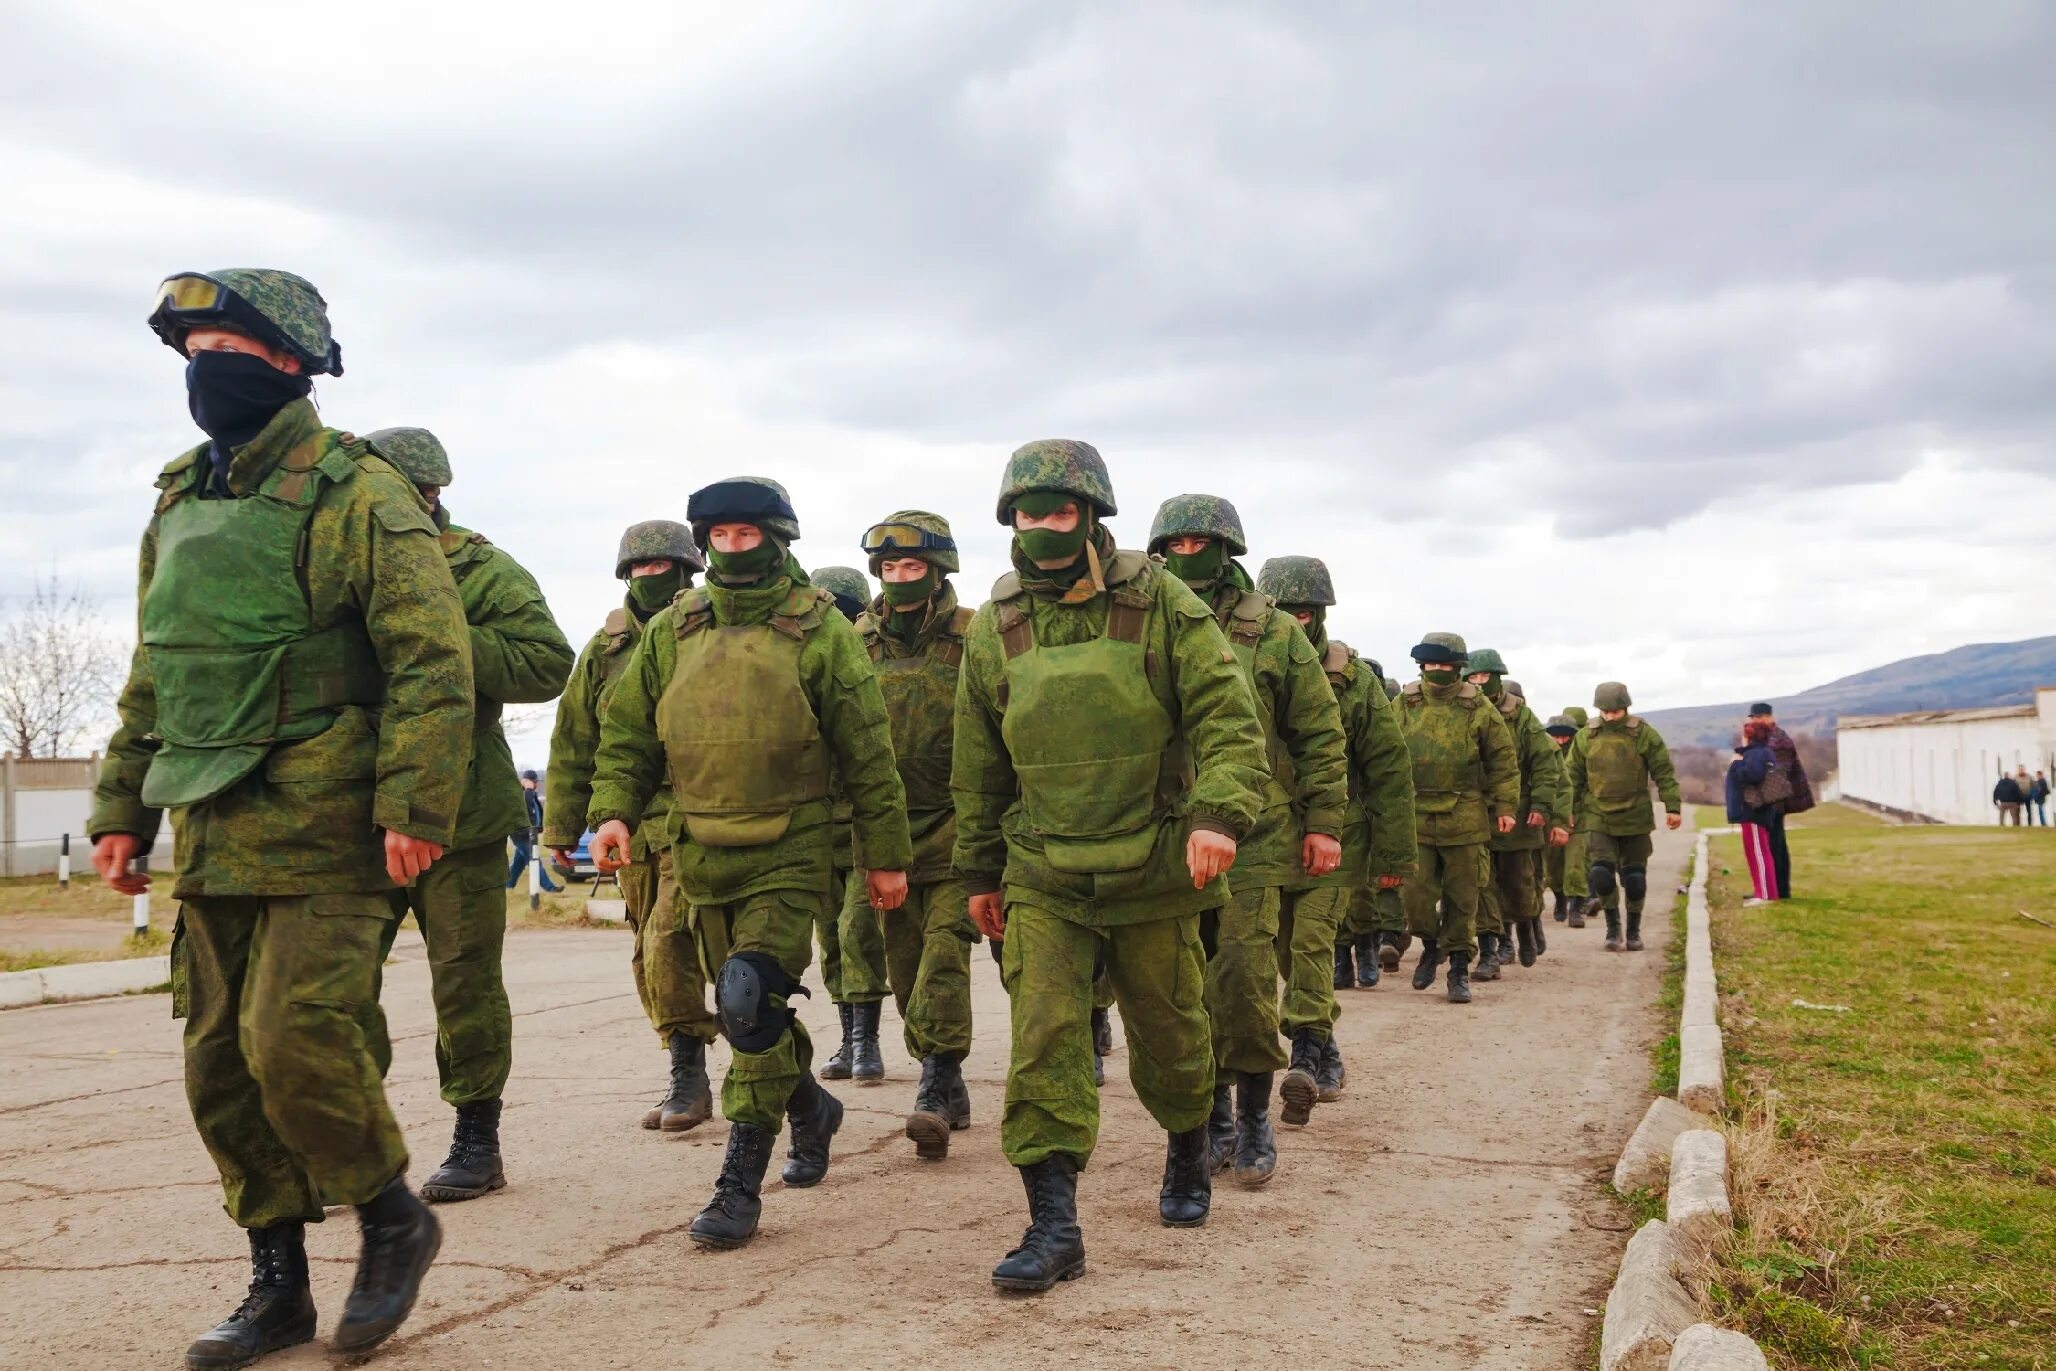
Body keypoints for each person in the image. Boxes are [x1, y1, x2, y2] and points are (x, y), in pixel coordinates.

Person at [90, 269, 472, 1363]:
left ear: (293, 362)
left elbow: (430, 661)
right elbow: (156, 668)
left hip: (330, 816)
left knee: (293, 1039)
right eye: (193, 344)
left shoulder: (362, 494)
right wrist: (124, 801)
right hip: (209, 817)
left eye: (229, 344)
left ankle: (392, 1218)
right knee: (218, 1062)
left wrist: (414, 799)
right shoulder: (181, 498)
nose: (206, 365)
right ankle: (278, 1285)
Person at [953, 440, 1267, 1292]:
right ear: (1009, 520)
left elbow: (1226, 715)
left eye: (1059, 512)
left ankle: (1188, 1149)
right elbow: (979, 760)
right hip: (1044, 873)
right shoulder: (998, 621)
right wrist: (980, 870)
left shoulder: (1159, 599)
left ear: (1091, 515)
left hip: (1157, 866)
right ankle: (1054, 1225)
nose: (1043, 527)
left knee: (1170, 1034)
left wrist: (1218, 815)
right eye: (1028, 512)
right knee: (1045, 1038)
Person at [588, 476, 913, 1252]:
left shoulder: (819, 631)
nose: (734, 548)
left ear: (778, 537)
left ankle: (740, 1177)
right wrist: (613, 810)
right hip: (701, 843)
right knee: (750, 1018)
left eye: (747, 534)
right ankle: (810, 1105)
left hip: (791, 845)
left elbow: (868, 749)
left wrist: (885, 856)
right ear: (705, 545)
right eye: (721, 537)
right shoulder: (676, 628)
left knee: (747, 996)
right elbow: (631, 730)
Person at [362, 426, 573, 1202]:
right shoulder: (331, 557)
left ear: (423, 494)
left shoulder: (479, 567)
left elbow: (548, 659)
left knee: (464, 982)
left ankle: (476, 1136)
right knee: (335, 986)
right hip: (348, 806)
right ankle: (349, 1140)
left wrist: (442, 639)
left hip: (460, 813)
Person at [1147, 496, 1350, 1170]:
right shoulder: (1137, 616)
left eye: (1200, 542)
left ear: (1227, 546)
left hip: (1256, 835)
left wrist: (1323, 822)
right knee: (1183, 987)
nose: (1187, 554)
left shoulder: (1273, 631)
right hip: (1162, 835)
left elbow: (1320, 733)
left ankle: (1254, 1113)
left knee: (1243, 979)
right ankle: (1205, 1117)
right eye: (1174, 544)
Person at [544, 521, 718, 1132]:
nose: (650, 578)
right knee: (649, 945)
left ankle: (713, 1072)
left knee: (674, 942)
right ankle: (687, 1064)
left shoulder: (708, 630)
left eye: (661, 568)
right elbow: (573, 744)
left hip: (707, 815)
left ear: (688, 570)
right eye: (638, 570)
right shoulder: (605, 650)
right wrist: (561, 832)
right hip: (633, 824)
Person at [846, 513, 980, 1158]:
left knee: (944, 956)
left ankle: (934, 1080)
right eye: (890, 568)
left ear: (938, 569)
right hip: (885, 834)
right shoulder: (854, 641)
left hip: (961, 825)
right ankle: (946, 1078)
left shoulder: (976, 635)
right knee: (903, 967)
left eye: (913, 567)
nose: (899, 579)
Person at [1255, 557, 1413, 1102]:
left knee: (1311, 944)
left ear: (1319, 613)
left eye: (1306, 612)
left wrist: (1394, 857)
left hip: (1337, 835)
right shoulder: (1242, 662)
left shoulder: (1354, 680)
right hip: (1265, 834)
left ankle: (1303, 1051)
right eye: (1285, 611)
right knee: (1280, 949)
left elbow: (1388, 767)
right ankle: (1325, 1044)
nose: (1296, 623)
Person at [1395, 633, 1520, 1003]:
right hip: (1415, 815)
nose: (1437, 671)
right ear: (1421, 666)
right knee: (1416, 898)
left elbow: (1502, 760)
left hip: (1465, 817)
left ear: (1459, 668)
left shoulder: (1476, 706)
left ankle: (1459, 969)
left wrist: (1506, 808)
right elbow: (1383, 752)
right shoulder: (1405, 703)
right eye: (1430, 665)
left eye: (1444, 665)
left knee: (1464, 900)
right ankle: (1431, 944)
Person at [809, 564, 894, 1085]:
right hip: (819, 821)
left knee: (859, 931)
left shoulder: (871, 661)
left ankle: (867, 1043)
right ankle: (847, 1038)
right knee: (831, 939)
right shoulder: (808, 658)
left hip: (862, 821)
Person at [1462, 651, 1570, 973]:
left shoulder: (1521, 716)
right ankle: (1491, 950)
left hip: (1517, 816)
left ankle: (1526, 926)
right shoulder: (1461, 708)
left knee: (1518, 884)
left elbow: (1545, 764)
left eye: (1485, 677)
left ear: (1497, 676)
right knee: (1482, 885)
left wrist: (1541, 806)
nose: (1479, 684)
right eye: (1473, 677)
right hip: (1473, 811)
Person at [1565, 683, 1683, 951]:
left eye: (1616, 712)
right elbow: (1572, 778)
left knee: (1634, 878)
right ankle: (1612, 928)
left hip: (1635, 815)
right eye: (1605, 712)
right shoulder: (1587, 737)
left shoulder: (1643, 734)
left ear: (1626, 708)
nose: (1610, 716)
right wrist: (1567, 812)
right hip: (1598, 814)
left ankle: (1633, 930)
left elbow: (1663, 771)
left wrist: (1672, 806)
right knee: (1601, 873)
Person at [1747, 703, 1811, 898]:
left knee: (1775, 845)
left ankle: (1778, 889)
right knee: (1775, 843)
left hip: (1776, 799)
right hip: (1773, 797)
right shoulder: (1769, 738)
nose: (1753, 722)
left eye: (1756, 718)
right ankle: (1776, 888)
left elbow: (1776, 773)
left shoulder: (1777, 739)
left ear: (1766, 717)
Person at [1726, 721, 1779, 905]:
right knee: (1757, 851)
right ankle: (1763, 890)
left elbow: (1753, 775)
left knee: (1758, 852)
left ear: (1750, 736)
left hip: (1753, 810)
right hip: (1757, 809)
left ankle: (1764, 894)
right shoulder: (1763, 752)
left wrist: (1735, 765)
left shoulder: (1756, 753)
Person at [507, 770, 560, 892]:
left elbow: (536, 812)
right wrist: (528, 790)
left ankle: (507, 885)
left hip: (529, 834)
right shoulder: (520, 793)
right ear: (526, 782)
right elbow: (524, 805)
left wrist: (540, 827)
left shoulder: (531, 794)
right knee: (534, 859)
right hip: (519, 834)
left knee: (517, 864)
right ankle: (550, 888)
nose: (536, 784)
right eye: (534, 782)